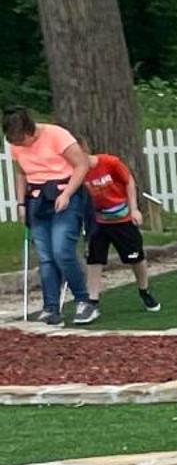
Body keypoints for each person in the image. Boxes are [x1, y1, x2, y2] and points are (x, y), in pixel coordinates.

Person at [4, 106, 95, 325]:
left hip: (65, 193)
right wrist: (20, 203)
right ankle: (51, 308)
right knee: (45, 256)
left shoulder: (56, 135)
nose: (18, 144)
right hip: (36, 199)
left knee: (62, 250)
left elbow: (82, 164)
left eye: (20, 139)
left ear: (30, 129)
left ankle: (84, 301)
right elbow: (21, 173)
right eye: (13, 140)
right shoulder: (15, 145)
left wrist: (67, 194)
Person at [80, 147, 160, 313]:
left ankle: (144, 290)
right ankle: (92, 300)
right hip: (97, 222)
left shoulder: (110, 163)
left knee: (135, 257)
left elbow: (129, 181)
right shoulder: (76, 172)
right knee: (94, 259)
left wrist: (134, 209)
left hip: (122, 219)